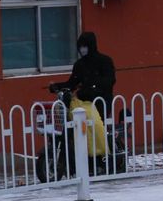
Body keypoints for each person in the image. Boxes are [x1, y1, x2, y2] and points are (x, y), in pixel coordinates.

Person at [50, 31, 116, 159]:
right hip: (83, 103)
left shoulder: (105, 61)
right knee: (75, 124)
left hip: (100, 101)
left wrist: (92, 87)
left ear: (91, 45)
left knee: (94, 125)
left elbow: (110, 81)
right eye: (80, 46)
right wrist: (57, 87)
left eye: (85, 46)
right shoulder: (79, 65)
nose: (82, 49)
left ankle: (100, 152)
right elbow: (72, 83)